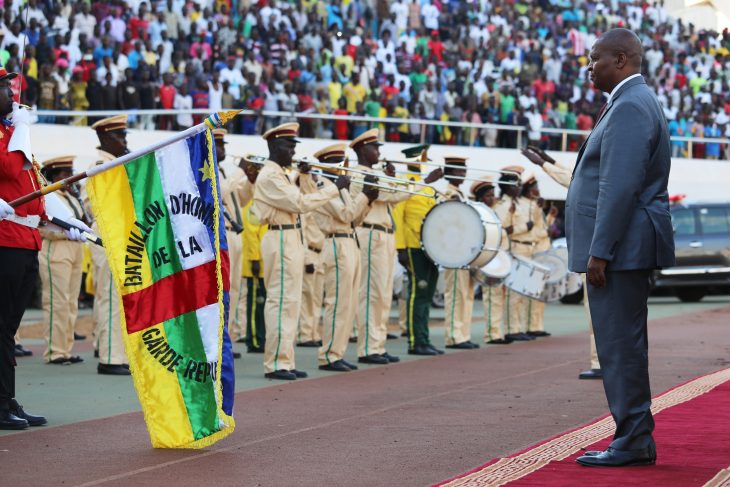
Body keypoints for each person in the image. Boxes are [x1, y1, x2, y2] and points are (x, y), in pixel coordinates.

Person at [569, 29, 674, 467]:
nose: (589, 67)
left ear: (622, 58)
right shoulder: (630, 101)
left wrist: (601, 251)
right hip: (626, 245)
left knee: (619, 346)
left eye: (594, 59)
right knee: (622, 344)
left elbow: (619, 186)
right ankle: (634, 436)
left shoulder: (630, 105)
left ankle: (632, 439)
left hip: (622, 248)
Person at [251, 123, 347, 381]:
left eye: (294, 145)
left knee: (291, 303)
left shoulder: (282, 174)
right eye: (288, 145)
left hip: (290, 236)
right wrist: (335, 188)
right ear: (273, 146)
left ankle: (285, 360)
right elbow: (300, 203)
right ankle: (276, 364)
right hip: (280, 236)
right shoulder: (270, 176)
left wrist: (304, 178)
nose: (293, 150)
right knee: (281, 301)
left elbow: (302, 197)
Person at [521, 144, 602, 380]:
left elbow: (572, 179)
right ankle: (605, 362)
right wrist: (548, 159)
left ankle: (600, 363)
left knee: (595, 312)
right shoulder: (601, 175)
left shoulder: (593, 181)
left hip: (594, 254)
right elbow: (573, 174)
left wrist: (542, 164)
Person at [0, 67, 50, 429]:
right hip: (6, 241)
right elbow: (7, 167)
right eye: (3, 86)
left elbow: (32, 184)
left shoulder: (11, 132)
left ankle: (6, 398)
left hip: (26, 240)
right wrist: (20, 130)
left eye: (9, 84)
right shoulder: (11, 135)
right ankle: (1, 403)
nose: (11, 91)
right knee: (1, 327)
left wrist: (63, 221)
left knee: (7, 330)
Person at [303, 143, 375, 372]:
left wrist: (369, 199)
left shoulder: (339, 187)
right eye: (338, 163)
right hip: (335, 243)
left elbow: (355, 219)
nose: (343, 167)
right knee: (337, 303)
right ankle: (329, 355)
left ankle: (337, 352)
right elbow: (346, 214)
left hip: (350, 241)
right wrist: (364, 196)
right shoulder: (323, 186)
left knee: (349, 303)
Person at [349, 129, 410, 365]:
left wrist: (392, 178)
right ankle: (368, 348)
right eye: (374, 148)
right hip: (370, 233)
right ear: (362, 150)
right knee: (370, 293)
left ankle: (377, 344)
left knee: (383, 295)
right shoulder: (359, 174)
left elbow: (391, 197)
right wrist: (416, 182)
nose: (378, 152)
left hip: (384, 234)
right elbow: (392, 195)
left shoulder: (376, 175)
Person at [88, 115, 131, 375]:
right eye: (119, 136)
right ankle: (110, 358)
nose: (125, 140)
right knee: (111, 297)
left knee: (120, 298)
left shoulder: (115, 163)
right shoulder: (100, 165)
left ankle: (117, 354)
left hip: (121, 232)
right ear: (104, 138)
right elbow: (108, 202)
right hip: (108, 231)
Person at [394, 145, 444, 356]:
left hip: (430, 248)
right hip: (413, 247)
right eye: (421, 159)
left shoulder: (429, 188)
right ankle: (415, 341)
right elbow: (398, 217)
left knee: (427, 294)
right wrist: (401, 248)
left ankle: (424, 338)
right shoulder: (405, 183)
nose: (424, 162)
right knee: (418, 294)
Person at [39, 156, 86, 365]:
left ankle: (66, 349)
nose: (69, 177)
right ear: (54, 175)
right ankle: (54, 351)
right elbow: (42, 227)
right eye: (65, 174)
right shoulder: (49, 196)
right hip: (56, 248)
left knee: (70, 301)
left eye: (70, 173)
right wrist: (65, 233)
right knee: (56, 301)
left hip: (75, 250)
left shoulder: (72, 196)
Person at [214, 128, 252, 351]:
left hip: (235, 233)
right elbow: (219, 192)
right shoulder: (208, 171)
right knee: (222, 289)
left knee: (235, 288)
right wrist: (240, 172)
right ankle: (218, 340)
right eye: (219, 145)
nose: (223, 149)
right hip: (222, 233)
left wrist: (250, 181)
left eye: (223, 145)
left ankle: (227, 338)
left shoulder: (226, 172)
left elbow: (242, 200)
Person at [440, 155, 480, 349]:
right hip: (453, 251)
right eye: (458, 170)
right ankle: (454, 336)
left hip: (464, 251)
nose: (462, 173)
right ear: (449, 173)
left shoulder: (460, 194)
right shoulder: (446, 193)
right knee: (455, 293)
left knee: (465, 294)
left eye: (463, 170)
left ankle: (463, 334)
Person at [493, 165, 534, 342]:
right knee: (513, 293)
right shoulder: (503, 205)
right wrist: (524, 227)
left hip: (522, 248)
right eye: (515, 185)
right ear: (507, 186)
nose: (519, 188)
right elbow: (504, 229)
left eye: (519, 184)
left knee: (520, 292)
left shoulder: (518, 203)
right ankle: (512, 328)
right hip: (513, 248)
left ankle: (517, 326)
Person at [470, 176, 512, 345]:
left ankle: (497, 332)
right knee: (491, 296)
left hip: (500, 256)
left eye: (493, 195)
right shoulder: (478, 211)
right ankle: (491, 334)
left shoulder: (494, 211)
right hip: (488, 258)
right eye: (488, 195)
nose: (492, 198)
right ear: (480, 198)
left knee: (499, 297)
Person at [240, 157, 267, 354]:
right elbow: (251, 231)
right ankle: (254, 339)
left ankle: (260, 337)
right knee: (255, 302)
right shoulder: (252, 201)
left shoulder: (261, 198)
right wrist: (255, 258)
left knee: (262, 301)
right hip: (255, 262)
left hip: (264, 260)